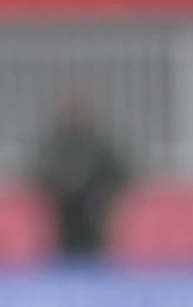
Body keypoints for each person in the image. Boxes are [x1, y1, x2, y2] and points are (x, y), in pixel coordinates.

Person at [31, 93, 130, 258]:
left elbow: (119, 174)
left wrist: (103, 193)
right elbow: (38, 176)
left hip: (93, 218)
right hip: (62, 220)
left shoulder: (98, 145)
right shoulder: (55, 146)